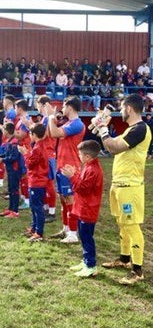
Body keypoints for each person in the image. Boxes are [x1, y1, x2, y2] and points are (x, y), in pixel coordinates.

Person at [97, 94, 152, 285]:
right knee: (122, 223)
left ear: (129, 108)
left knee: (131, 225)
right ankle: (124, 259)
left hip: (130, 186)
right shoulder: (131, 130)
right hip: (120, 185)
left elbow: (113, 147)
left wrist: (104, 129)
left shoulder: (140, 129)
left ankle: (137, 271)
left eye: (121, 108)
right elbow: (109, 142)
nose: (120, 111)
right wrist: (101, 127)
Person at [44, 96, 86, 244]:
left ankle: (74, 234)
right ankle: (66, 229)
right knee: (62, 199)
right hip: (61, 164)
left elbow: (55, 133)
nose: (62, 107)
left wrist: (50, 117)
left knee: (70, 200)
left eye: (64, 105)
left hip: (70, 167)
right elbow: (50, 133)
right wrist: (51, 119)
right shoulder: (68, 123)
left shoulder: (77, 124)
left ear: (70, 107)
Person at [61, 140, 104, 277]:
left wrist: (71, 177)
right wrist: (76, 174)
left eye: (80, 154)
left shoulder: (93, 169)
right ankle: (86, 261)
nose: (78, 156)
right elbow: (83, 182)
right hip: (83, 208)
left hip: (88, 210)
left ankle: (91, 266)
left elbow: (82, 188)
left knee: (87, 238)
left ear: (87, 157)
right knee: (84, 236)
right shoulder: (89, 166)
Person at [18, 123, 50, 242]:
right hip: (36, 180)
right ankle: (34, 228)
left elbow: (30, 164)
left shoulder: (38, 148)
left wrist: (25, 153)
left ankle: (39, 232)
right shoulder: (39, 146)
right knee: (33, 206)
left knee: (37, 207)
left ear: (34, 135)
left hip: (37, 181)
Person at [0, 123, 22, 218]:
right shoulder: (9, 141)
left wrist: (2, 159)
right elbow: (7, 154)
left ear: (7, 131)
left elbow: (13, 157)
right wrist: (0, 156)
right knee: (11, 189)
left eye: (4, 130)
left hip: (15, 169)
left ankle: (15, 211)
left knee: (14, 190)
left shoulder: (14, 142)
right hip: (10, 169)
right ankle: (10, 209)